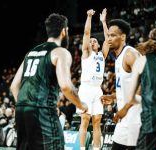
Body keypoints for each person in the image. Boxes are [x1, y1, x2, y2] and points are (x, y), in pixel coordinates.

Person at [10, 13, 88, 150]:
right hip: (42, 111)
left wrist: (26, 105)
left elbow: (14, 86)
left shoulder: (31, 52)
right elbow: (65, 86)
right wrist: (81, 105)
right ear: (64, 31)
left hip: (21, 111)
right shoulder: (61, 52)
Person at [101, 19, 142, 150]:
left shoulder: (130, 54)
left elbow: (146, 82)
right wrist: (113, 97)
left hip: (136, 119)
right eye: (108, 36)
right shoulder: (118, 58)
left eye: (113, 35)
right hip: (124, 119)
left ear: (123, 37)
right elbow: (129, 86)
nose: (109, 39)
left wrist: (125, 108)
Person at [78, 8, 109, 150]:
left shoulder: (102, 54)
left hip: (97, 89)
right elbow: (86, 33)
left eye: (94, 41)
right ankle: (83, 148)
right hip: (86, 88)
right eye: (90, 41)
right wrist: (89, 17)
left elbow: (108, 39)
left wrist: (103, 22)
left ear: (97, 44)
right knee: (85, 120)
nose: (92, 42)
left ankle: (96, 149)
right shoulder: (86, 53)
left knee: (97, 121)